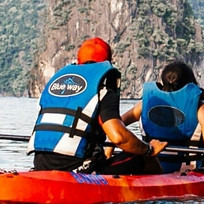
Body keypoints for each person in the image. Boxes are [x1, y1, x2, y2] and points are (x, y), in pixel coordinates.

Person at [29, 37, 166, 174]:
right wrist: (149, 149)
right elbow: (118, 137)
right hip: (79, 170)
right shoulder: (102, 92)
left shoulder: (53, 89)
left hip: (41, 165)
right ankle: (165, 187)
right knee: (144, 156)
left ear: (79, 62)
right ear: (106, 64)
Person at [121, 61, 204, 174]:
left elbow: (120, 122)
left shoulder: (144, 104)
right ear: (189, 81)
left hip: (151, 167)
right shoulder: (199, 105)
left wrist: (109, 150)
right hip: (187, 169)